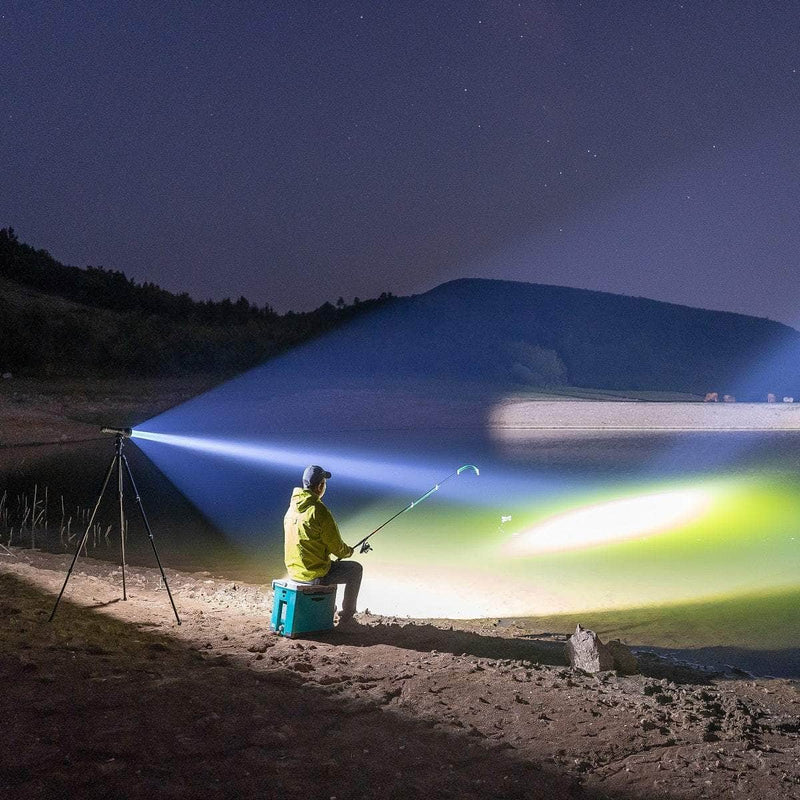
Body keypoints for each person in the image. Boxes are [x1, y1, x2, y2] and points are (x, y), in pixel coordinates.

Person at [283, 465, 362, 626]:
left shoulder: (291, 509)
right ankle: (347, 616)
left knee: (331, 565)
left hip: (294, 571)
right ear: (320, 486)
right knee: (355, 569)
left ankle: (328, 607)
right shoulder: (319, 510)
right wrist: (349, 552)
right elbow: (337, 547)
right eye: (324, 483)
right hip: (314, 574)